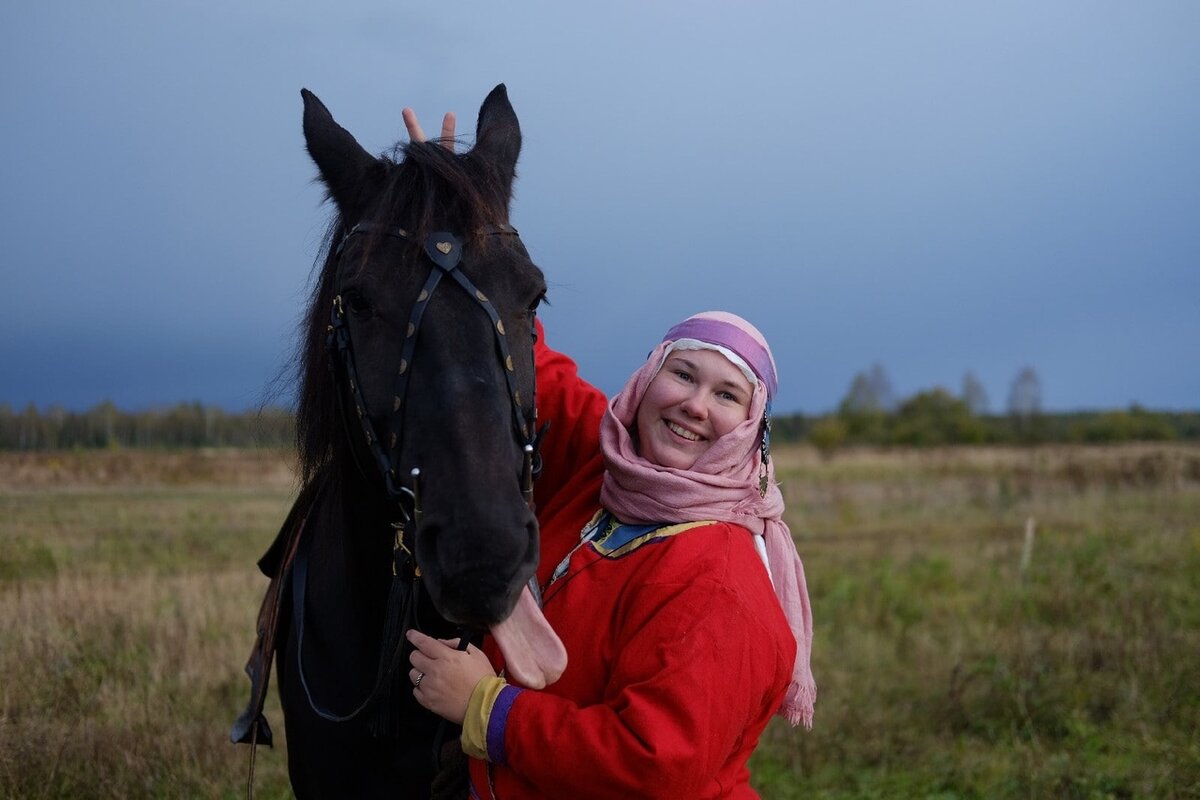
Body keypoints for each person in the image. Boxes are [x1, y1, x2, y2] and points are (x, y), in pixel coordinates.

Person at [402, 114, 815, 799]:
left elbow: (655, 764)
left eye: (727, 396)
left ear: (752, 429)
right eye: (682, 375)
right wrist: (455, 206)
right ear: (647, 378)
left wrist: (487, 709)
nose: (694, 405)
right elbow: (522, 353)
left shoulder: (719, 580)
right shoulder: (609, 461)